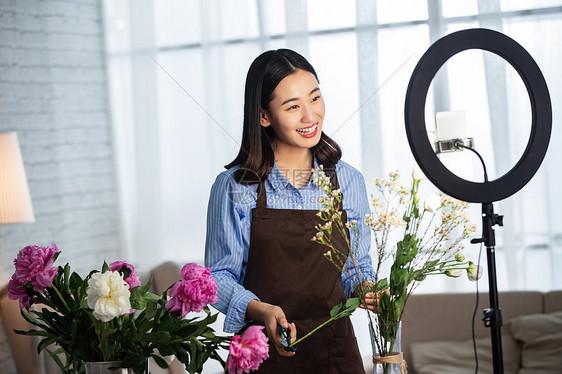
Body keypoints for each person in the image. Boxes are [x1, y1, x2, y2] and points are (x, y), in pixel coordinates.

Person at [204, 49, 378, 373]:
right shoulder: (236, 187)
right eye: (293, 106)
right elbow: (218, 277)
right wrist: (261, 311)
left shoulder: (349, 181)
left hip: (336, 353)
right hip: (262, 354)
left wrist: (369, 290)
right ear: (264, 116)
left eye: (315, 98)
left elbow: (354, 266)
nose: (310, 116)